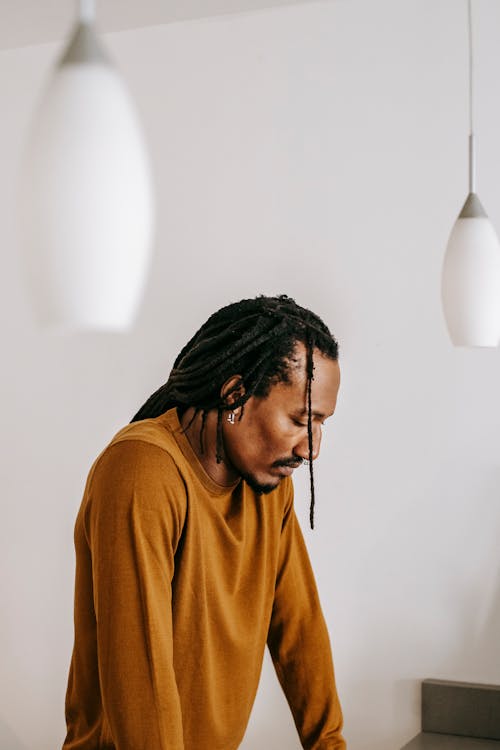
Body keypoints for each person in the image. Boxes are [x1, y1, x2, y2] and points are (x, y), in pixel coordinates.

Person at [63, 294, 346, 750]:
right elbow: (142, 679)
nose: (311, 448)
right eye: (299, 419)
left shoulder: (268, 488)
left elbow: (299, 628)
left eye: (321, 424)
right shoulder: (143, 470)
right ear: (235, 393)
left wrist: (330, 743)